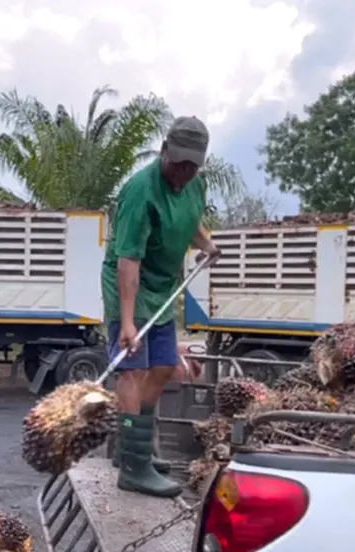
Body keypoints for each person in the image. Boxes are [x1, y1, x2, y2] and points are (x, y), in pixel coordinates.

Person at [100, 116, 220, 498]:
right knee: (133, 370)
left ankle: (133, 449)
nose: (183, 172)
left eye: (191, 166)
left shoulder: (195, 184)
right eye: (178, 163)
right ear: (165, 150)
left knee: (166, 365)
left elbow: (190, 221)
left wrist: (206, 243)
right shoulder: (140, 191)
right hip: (129, 284)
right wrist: (128, 322)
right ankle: (133, 466)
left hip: (163, 287)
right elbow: (128, 261)